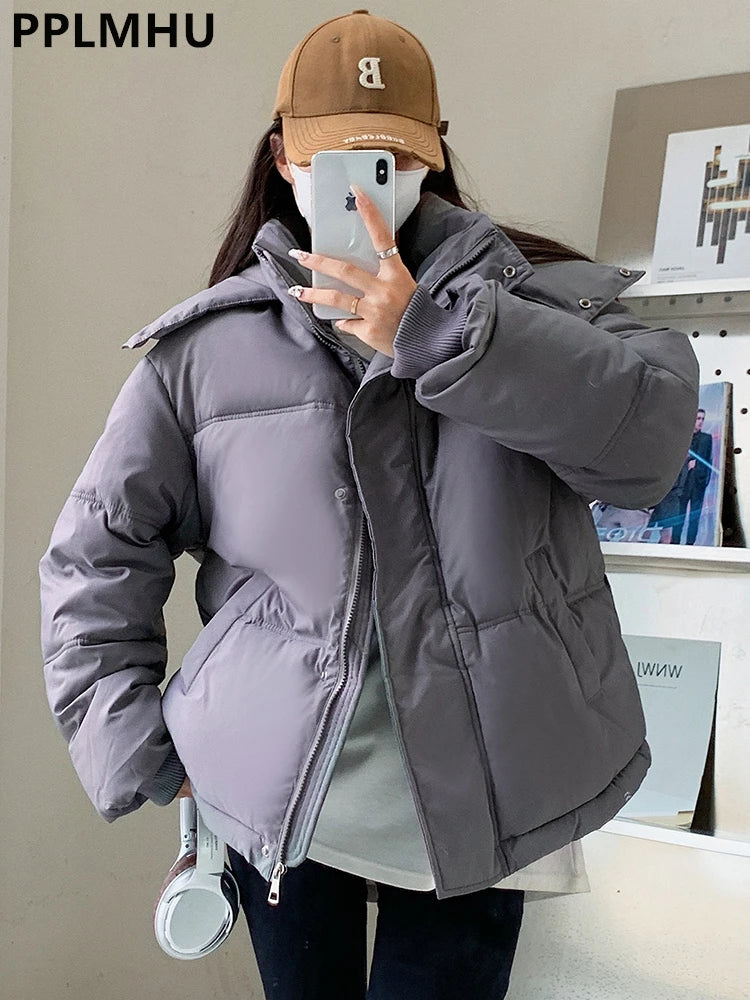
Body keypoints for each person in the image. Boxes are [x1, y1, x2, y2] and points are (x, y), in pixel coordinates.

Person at [39, 10, 700, 999]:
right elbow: (94, 555)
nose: (363, 190)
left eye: (390, 161)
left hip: (493, 783)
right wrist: (139, 747)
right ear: (284, 160)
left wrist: (435, 335)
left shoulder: (548, 310)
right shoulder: (204, 354)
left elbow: (650, 452)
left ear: (434, 158)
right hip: (279, 791)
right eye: (334, 161)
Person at [670, 408, 713, 545]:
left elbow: (709, 461)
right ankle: (675, 542)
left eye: (702, 419)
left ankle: (690, 543)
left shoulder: (707, 438)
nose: (700, 422)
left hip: (698, 483)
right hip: (683, 483)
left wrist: (704, 480)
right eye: (698, 418)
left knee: (695, 516)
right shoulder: (682, 438)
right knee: (679, 515)